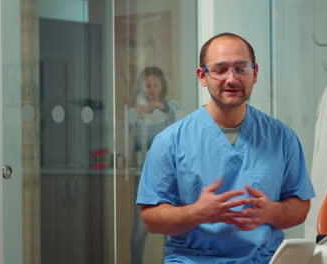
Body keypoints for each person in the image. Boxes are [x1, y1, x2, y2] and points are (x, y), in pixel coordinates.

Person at [135, 32, 316, 264]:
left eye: (242, 69)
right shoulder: (170, 141)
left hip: (263, 259)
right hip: (193, 259)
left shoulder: (282, 137)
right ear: (202, 76)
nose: (232, 79)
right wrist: (197, 212)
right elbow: (150, 218)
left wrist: (271, 212)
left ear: (255, 73)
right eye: (220, 70)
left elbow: (300, 206)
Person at [130, 66, 178, 264]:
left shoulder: (171, 107)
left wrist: (161, 107)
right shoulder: (136, 111)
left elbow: (176, 115)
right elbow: (129, 133)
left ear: (162, 86)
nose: (151, 89)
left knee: (169, 227)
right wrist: (141, 113)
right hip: (141, 176)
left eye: (155, 85)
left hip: (167, 177)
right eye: (148, 85)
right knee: (140, 229)